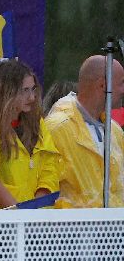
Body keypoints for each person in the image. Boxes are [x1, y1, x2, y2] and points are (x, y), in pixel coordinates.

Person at [0, 60, 60, 208]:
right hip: (3, 221)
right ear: (6, 91)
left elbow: (50, 167)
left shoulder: (37, 122)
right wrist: (20, 213)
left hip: (37, 219)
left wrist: (37, 209)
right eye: (25, 90)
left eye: (33, 89)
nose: (32, 97)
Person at [45, 55, 124, 207]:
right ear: (103, 85)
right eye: (121, 83)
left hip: (114, 228)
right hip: (71, 228)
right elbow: (45, 191)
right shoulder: (58, 128)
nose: (123, 90)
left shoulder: (114, 131)